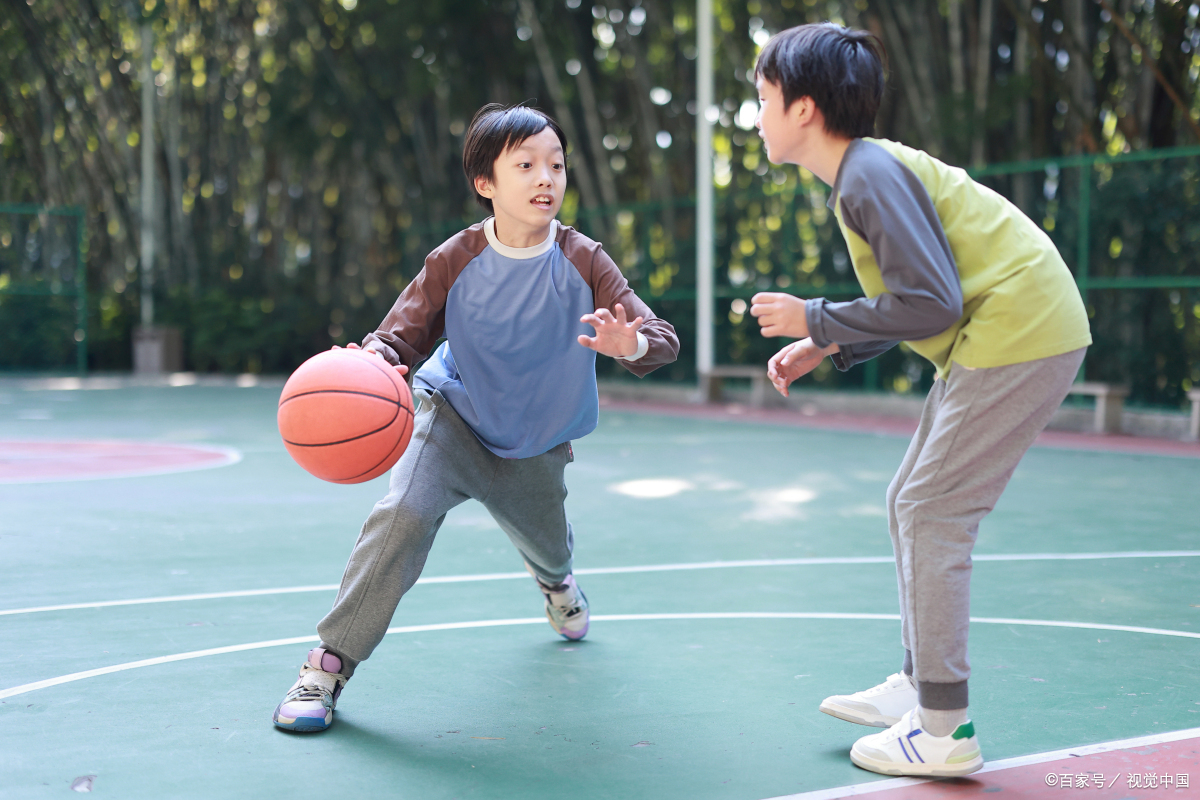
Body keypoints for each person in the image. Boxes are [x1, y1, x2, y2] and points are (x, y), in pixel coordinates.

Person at [748, 23, 1091, 777]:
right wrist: (829, 340)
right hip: (1002, 325)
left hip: (1021, 326)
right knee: (911, 497)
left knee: (934, 510)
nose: (758, 114)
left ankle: (944, 730)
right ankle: (917, 684)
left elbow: (930, 303)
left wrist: (816, 316)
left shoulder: (866, 176)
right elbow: (913, 300)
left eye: (765, 98)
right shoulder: (862, 175)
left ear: (804, 110)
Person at [273, 103, 679, 733]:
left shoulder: (584, 260)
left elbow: (660, 337)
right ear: (486, 183)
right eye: (526, 165)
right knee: (401, 517)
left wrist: (629, 345)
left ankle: (556, 583)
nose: (546, 177)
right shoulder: (456, 258)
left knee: (548, 547)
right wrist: (374, 360)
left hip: (536, 443)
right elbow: (398, 337)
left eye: (556, 164)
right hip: (451, 420)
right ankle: (327, 666)